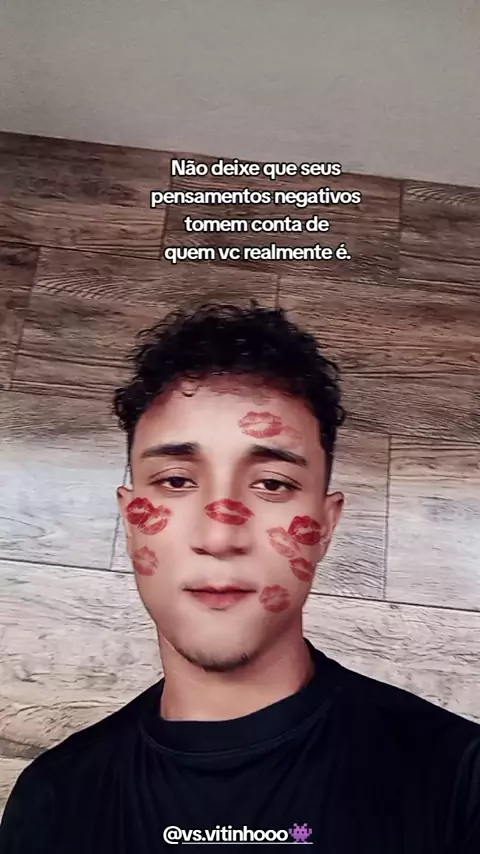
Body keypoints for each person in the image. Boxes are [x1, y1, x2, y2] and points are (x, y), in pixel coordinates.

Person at [1, 300, 479, 853]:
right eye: (176, 481)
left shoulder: (458, 780)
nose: (220, 535)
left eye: (272, 484)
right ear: (131, 522)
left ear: (324, 528)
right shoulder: (52, 802)